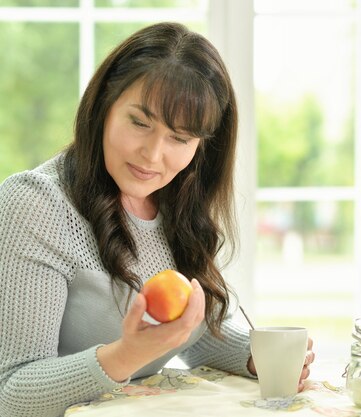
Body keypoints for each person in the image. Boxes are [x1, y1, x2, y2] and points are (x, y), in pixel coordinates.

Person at [0, 22, 314, 417]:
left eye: (179, 139)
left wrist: (255, 356)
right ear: (103, 106)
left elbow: (188, 335)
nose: (152, 155)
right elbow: (9, 394)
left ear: (200, 147)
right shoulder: (35, 202)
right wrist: (125, 355)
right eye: (139, 122)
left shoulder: (173, 202)